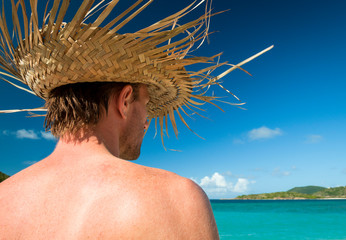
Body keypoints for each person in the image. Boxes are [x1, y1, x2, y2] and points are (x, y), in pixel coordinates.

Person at [0, 0, 271, 239]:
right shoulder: (175, 198)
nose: (147, 122)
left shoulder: (5, 199)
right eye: (147, 106)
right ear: (125, 99)